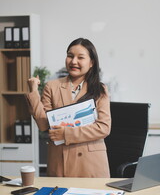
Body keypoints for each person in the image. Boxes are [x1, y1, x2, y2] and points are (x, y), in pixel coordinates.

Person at [26, 38, 111, 178]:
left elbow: (103, 127)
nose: (73, 61)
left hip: (90, 164)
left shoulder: (100, 89)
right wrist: (33, 90)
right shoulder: (52, 86)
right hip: (60, 160)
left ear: (91, 62)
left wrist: (66, 134)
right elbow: (43, 124)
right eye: (70, 56)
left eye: (80, 57)